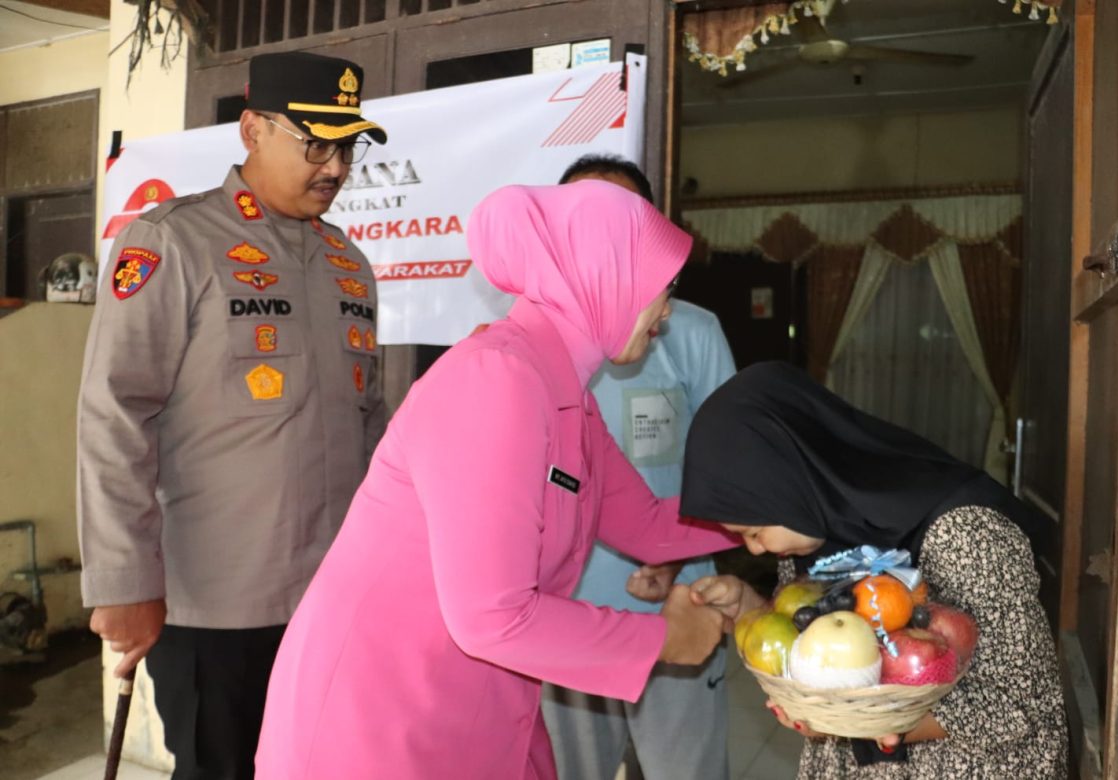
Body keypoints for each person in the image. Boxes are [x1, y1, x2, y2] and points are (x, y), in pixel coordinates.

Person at [254, 180, 739, 780]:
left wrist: (770, 517)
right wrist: (659, 640)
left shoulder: (568, 397)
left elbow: (649, 525)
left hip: (478, 704)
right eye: (661, 287)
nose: (667, 309)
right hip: (382, 720)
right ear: (602, 277)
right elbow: (491, 614)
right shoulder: (497, 381)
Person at [77, 51, 389, 780]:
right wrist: (122, 581)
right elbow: (114, 413)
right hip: (214, 605)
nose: (336, 167)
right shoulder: (174, 242)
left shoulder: (350, 265)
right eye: (316, 143)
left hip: (330, 598)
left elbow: (370, 424)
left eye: (348, 146)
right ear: (252, 130)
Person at [679, 361, 1068, 778]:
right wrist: (749, 607)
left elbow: (1021, 701)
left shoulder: (966, 531)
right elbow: (816, 644)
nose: (755, 550)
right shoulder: (816, 539)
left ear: (788, 484)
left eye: (754, 532)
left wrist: (875, 726)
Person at [541, 155, 736, 780]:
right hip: (568, 615)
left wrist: (672, 554)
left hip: (677, 605)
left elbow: (732, 473)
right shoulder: (534, 346)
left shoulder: (690, 331)